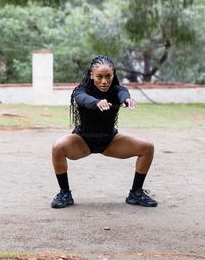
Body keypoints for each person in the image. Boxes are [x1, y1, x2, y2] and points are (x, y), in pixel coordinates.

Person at [50, 55, 157, 208]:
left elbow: (123, 94)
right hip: (83, 141)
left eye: (108, 76)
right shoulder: (81, 91)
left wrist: (127, 100)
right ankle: (65, 193)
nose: (104, 81)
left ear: (113, 75)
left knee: (147, 147)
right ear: (91, 75)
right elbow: (83, 99)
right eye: (99, 77)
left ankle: (136, 193)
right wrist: (96, 102)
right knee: (58, 147)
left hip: (110, 141)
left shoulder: (117, 90)